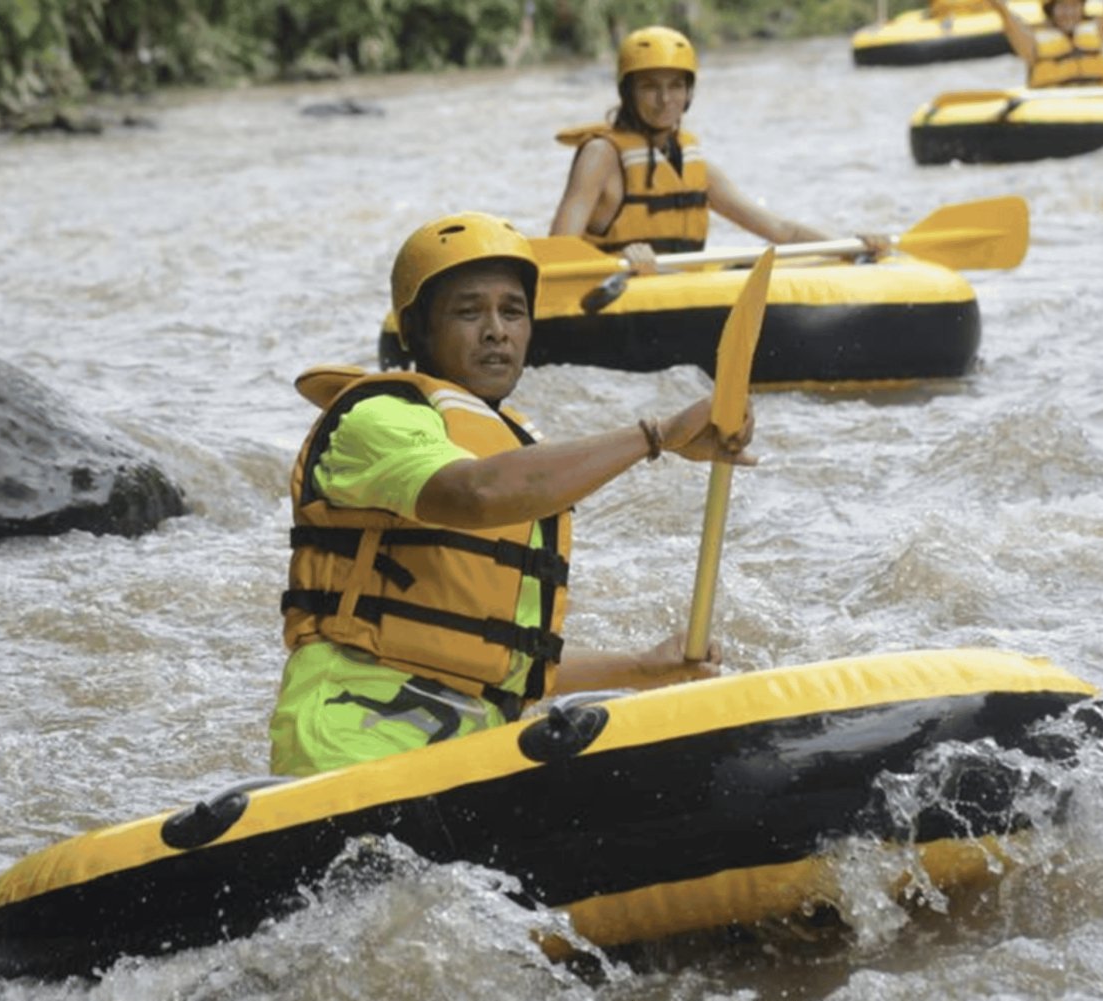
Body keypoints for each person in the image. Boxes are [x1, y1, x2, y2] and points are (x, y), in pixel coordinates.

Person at [269, 211, 755, 777]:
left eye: (513, 311)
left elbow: (502, 662)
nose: (496, 330)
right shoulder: (376, 417)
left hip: (464, 751)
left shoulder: (519, 451)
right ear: (414, 330)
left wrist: (643, 669)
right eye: (469, 311)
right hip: (347, 745)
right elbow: (475, 493)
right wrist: (657, 436)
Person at [549, 26, 885, 276]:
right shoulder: (601, 156)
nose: (665, 100)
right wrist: (618, 261)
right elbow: (558, 252)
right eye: (650, 87)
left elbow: (782, 231)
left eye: (676, 86)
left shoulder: (695, 168)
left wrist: (851, 248)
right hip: (618, 295)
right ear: (628, 93)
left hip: (681, 293)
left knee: (774, 263)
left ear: (689, 92)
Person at [982, 0, 1103, 87]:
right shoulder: (1033, 44)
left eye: (1074, 6)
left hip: (1096, 103)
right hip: (1057, 108)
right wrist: (999, 6)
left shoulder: (1096, 32)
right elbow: (1007, 18)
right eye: (1063, 7)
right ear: (1050, 11)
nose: (1069, 13)